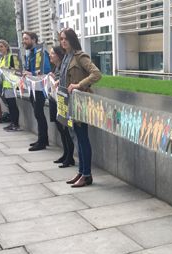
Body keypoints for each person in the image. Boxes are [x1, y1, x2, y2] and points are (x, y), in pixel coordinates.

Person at [59, 28, 102, 188]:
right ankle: (81, 171)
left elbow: (96, 74)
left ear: (72, 39)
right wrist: (59, 81)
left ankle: (87, 174)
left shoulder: (80, 56)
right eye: (61, 39)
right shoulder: (66, 57)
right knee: (76, 136)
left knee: (83, 138)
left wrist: (79, 85)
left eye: (66, 39)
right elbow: (65, 76)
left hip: (80, 103)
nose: (63, 41)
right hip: (69, 103)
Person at [22, 31, 51, 151]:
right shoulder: (29, 54)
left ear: (34, 40)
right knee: (37, 114)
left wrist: (31, 73)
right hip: (32, 87)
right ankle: (42, 139)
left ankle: (42, 141)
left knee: (39, 114)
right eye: (23, 39)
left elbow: (46, 70)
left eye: (26, 39)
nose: (24, 41)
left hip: (39, 88)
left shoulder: (41, 53)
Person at [49, 45, 75, 168]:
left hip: (62, 102)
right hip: (55, 100)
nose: (50, 56)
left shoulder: (63, 67)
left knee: (66, 130)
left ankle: (70, 156)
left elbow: (64, 82)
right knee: (61, 129)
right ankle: (65, 154)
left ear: (58, 55)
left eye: (52, 53)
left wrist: (55, 79)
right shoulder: (56, 67)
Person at [0, 40, 21, 131]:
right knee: (9, 106)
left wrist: (7, 69)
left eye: (1, 46)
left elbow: (18, 69)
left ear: (6, 47)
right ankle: (12, 123)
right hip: (4, 85)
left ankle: (16, 124)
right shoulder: (2, 58)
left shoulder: (12, 56)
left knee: (12, 105)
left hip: (11, 84)